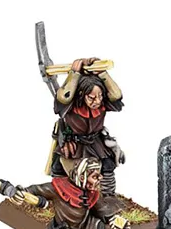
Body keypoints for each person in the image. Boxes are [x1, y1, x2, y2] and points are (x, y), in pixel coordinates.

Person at [10, 157, 130, 229]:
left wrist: (114, 219)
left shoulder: (92, 193)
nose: (100, 179)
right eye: (95, 177)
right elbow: (37, 190)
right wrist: (21, 192)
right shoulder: (59, 188)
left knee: (99, 227)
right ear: (82, 177)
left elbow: (102, 209)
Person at [49, 57, 124, 194]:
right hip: (74, 143)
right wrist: (74, 74)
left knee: (107, 165)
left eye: (100, 96)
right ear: (82, 95)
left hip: (96, 142)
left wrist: (103, 73)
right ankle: (60, 194)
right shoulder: (71, 106)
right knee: (58, 168)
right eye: (91, 97)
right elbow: (64, 97)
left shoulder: (102, 104)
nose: (97, 101)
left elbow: (116, 95)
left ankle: (107, 195)